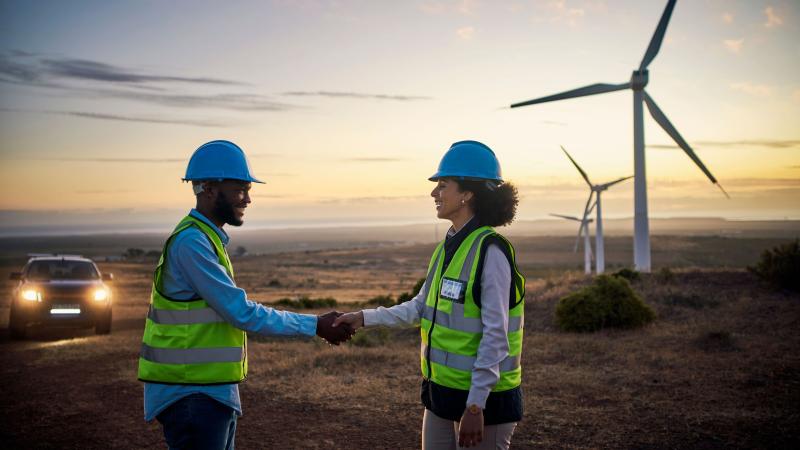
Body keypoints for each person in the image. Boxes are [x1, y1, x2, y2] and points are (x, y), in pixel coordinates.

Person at [137, 140, 353, 450]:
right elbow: (242, 313)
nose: (248, 199)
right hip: (192, 396)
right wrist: (315, 325)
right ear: (209, 189)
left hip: (208, 391)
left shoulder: (207, 239)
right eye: (240, 190)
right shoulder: (192, 244)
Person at [335, 140, 526, 449]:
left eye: (443, 185)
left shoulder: (492, 252)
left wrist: (476, 406)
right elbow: (419, 308)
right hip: (442, 394)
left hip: (486, 401)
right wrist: (362, 318)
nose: (434, 193)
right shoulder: (447, 247)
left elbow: (495, 337)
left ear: (467, 193)